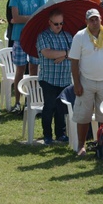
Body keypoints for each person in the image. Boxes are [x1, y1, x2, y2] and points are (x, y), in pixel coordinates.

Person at [70, 8, 103, 157]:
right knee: (83, 115)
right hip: (86, 81)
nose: (94, 22)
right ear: (86, 21)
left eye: (96, 19)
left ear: (101, 20)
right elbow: (74, 61)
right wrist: (77, 83)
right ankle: (81, 146)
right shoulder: (80, 36)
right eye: (91, 19)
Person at [9, 0, 47, 113]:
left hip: (35, 36)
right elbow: (15, 18)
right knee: (19, 69)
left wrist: (26, 19)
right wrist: (32, 18)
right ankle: (17, 102)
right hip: (19, 37)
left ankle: (33, 100)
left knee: (34, 69)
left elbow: (43, 16)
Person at [36, 10, 73, 144]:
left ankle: (61, 134)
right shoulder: (43, 36)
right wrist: (66, 53)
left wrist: (63, 55)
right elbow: (48, 53)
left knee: (61, 108)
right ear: (50, 23)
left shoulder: (68, 36)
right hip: (49, 78)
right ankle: (47, 135)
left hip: (65, 79)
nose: (59, 26)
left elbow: (76, 53)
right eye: (56, 23)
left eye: (61, 23)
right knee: (49, 106)